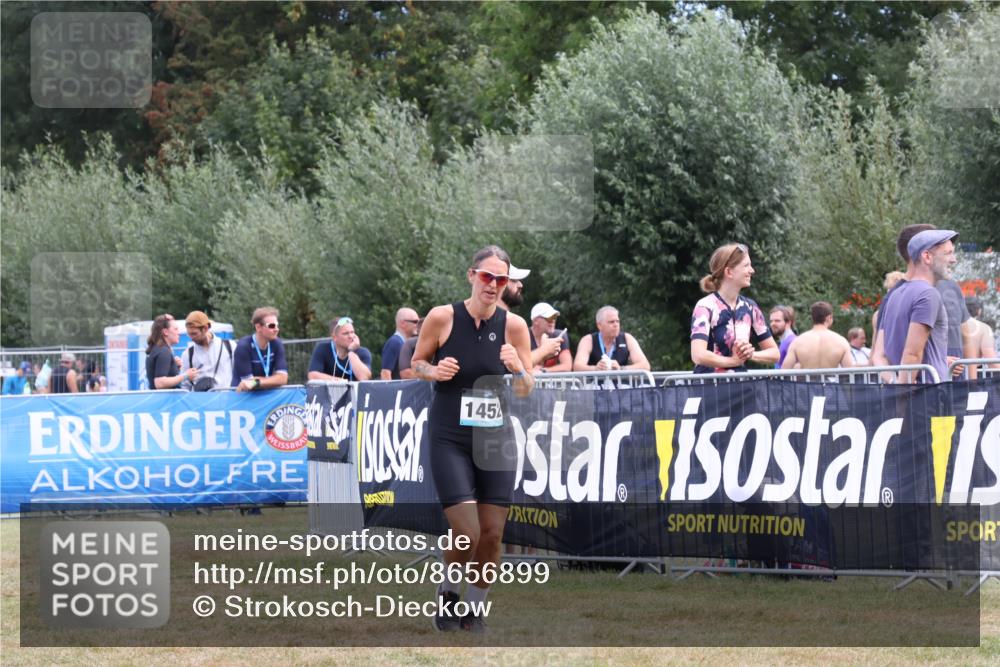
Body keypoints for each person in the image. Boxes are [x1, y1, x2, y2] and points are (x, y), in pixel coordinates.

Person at [411, 245, 534, 633]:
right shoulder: (443, 317)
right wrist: (434, 371)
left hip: (495, 438)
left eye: (501, 279)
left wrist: (517, 369)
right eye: (487, 277)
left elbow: (527, 389)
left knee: (493, 533)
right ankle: (448, 592)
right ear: (471, 276)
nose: (494, 285)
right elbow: (416, 364)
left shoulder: (514, 326)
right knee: (467, 532)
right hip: (449, 436)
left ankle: (475, 609)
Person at [871, 229, 957, 383]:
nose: (953, 260)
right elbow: (912, 354)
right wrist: (903, 393)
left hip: (915, 395)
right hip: (928, 397)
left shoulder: (894, 294)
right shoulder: (927, 294)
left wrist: (896, 385)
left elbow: (880, 355)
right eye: (948, 253)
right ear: (927, 257)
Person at [690, 243, 779, 373]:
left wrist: (750, 354)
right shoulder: (705, 306)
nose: (752, 270)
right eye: (746, 265)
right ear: (729, 272)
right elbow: (698, 355)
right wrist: (732, 361)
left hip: (740, 386)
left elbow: (775, 354)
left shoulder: (751, 307)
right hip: (709, 387)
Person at [573, 305, 650, 371]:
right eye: (611, 322)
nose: (616, 325)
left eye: (617, 321)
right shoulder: (588, 340)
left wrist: (621, 369)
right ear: (599, 325)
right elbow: (577, 366)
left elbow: (645, 366)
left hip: (621, 386)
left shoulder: (627, 338)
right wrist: (596, 368)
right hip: (595, 385)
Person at [781, 302, 854, 370]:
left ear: (812, 318)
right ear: (829, 318)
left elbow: (785, 369)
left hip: (807, 383)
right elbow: (850, 371)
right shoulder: (841, 341)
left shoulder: (797, 342)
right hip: (830, 383)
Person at [232, 307, 289, 391]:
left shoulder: (277, 343)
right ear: (258, 327)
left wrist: (257, 382)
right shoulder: (244, 346)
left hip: (264, 394)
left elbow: (283, 378)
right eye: (272, 326)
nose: (276, 329)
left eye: (277, 325)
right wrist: (273, 379)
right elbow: (248, 383)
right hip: (242, 397)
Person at [180, 310, 233, 391]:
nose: (191, 337)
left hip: (226, 400)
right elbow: (185, 386)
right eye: (189, 334)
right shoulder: (187, 354)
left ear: (205, 328)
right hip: (200, 401)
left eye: (194, 333)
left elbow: (240, 374)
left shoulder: (229, 346)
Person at [308, 316, 373, 382]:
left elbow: (364, 378)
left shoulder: (363, 352)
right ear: (334, 337)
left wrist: (351, 352)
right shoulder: (323, 349)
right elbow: (313, 375)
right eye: (346, 333)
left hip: (355, 392)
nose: (351, 336)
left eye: (352, 332)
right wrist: (342, 383)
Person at [146, 315, 194, 390]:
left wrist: (173, 365)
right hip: (164, 400)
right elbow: (159, 383)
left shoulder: (157, 349)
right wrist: (186, 375)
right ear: (165, 332)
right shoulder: (164, 352)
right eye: (175, 329)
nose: (179, 333)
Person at [528, 302, 572, 373]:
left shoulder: (560, 335)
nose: (553, 321)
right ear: (536, 321)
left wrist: (543, 371)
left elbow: (567, 366)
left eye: (554, 317)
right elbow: (522, 365)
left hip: (552, 383)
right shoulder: (525, 336)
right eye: (549, 318)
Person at [380, 307, 420, 380]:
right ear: (403, 323)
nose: (418, 325)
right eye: (415, 322)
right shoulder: (395, 342)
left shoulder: (404, 343)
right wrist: (390, 391)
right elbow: (385, 373)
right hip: (397, 390)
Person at [965, 296, 1000, 374]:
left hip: (950, 376)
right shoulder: (984, 328)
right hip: (972, 377)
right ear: (979, 311)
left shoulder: (951, 327)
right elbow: (992, 362)